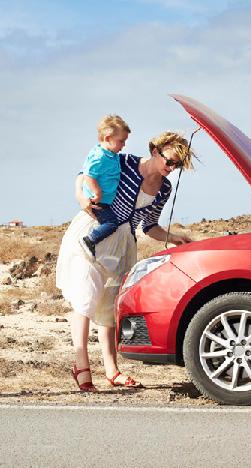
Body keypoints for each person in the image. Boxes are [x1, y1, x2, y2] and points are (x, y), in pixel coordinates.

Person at [56, 131, 194, 392]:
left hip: (122, 245)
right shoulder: (124, 162)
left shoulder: (164, 188)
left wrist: (174, 237)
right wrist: (81, 197)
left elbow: (149, 226)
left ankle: (111, 370)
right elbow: (84, 173)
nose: (171, 168)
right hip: (94, 231)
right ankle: (81, 366)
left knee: (109, 309)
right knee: (85, 299)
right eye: (170, 161)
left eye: (177, 166)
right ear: (156, 150)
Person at [80, 115, 131, 260]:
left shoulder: (109, 154)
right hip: (98, 201)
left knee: (111, 223)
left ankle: (92, 243)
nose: (124, 145)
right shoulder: (100, 156)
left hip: (105, 201)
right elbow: (89, 174)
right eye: (121, 141)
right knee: (111, 223)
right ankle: (89, 240)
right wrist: (96, 191)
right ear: (108, 138)